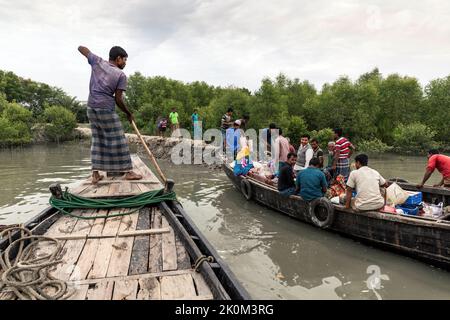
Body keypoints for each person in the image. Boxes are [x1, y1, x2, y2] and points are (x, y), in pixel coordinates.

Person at [78, 45, 142, 184]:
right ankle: (128, 172)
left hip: (91, 108)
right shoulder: (120, 75)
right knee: (119, 139)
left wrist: (90, 55)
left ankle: (95, 174)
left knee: (97, 139)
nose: (125, 62)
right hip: (105, 108)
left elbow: (81, 48)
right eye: (124, 59)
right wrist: (128, 113)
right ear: (118, 59)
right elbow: (118, 99)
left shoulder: (97, 61)